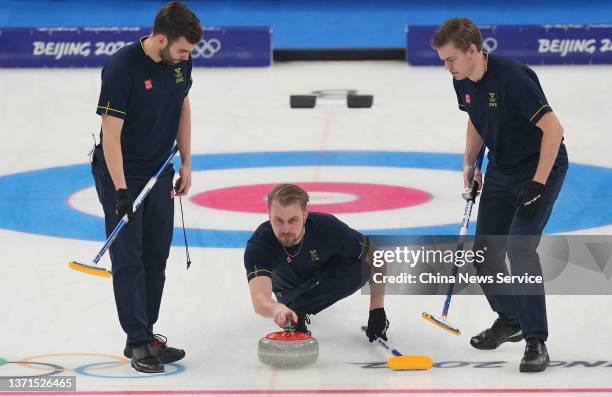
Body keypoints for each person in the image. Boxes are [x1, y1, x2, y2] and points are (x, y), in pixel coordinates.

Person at [431, 17, 568, 373]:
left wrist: (538, 185)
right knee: (484, 252)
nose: (446, 67)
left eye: (450, 59)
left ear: (473, 50)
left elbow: (553, 128)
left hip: (541, 167)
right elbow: (476, 118)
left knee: (519, 247)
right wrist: (469, 163)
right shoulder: (461, 80)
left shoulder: (512, 78)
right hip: (502, 169)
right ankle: (510, 319)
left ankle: (536, 340)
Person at [91, 1, 201, 373]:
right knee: (128, 260)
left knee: (156, 257)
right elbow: (110, 137)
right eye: (183, 49)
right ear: (160, 38)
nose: (187, 56)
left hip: (158, 172)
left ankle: (146, 333)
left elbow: (183, 107)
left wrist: (185, 161)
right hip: (120, 172)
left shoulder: (179, 63)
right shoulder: (122, 68)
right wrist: (121, 191)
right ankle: (137, 340)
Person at [244, 184, 389, 343]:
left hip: (326, 275)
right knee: (289, 305)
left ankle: (300, 309)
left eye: (293, 220)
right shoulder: (260, 244)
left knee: (363, 267)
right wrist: (276, 309)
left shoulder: (327, 228)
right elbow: (259, 299)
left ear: (305, 215)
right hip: (290, 293)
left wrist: (377, 311)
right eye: (278, 220)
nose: (285, 229)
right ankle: (295, 310)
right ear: (269, 215)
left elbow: (376, 256)